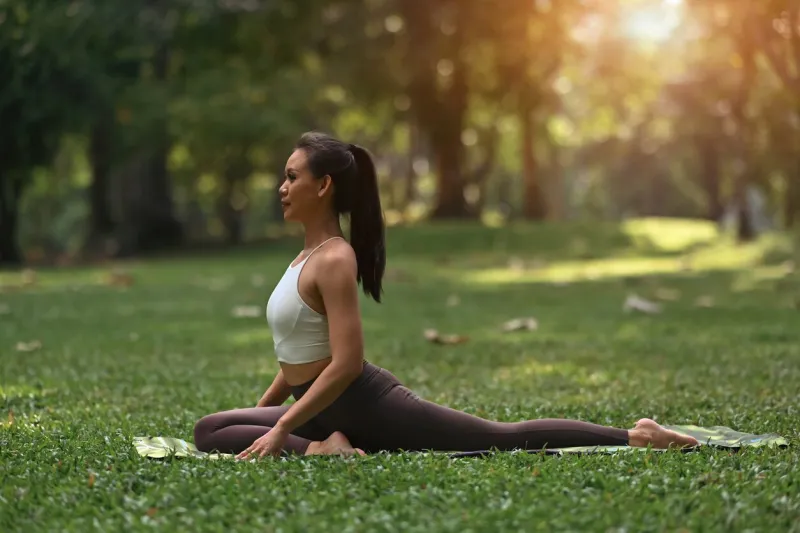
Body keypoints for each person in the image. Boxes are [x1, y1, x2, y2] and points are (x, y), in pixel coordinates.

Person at [193, 131, 699, 459]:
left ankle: (636, 435)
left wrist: (280, 429)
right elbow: (297, 353)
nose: (282, 187)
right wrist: (268, 413)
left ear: (323, 186)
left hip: (365, 404)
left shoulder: (335, 258)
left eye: (291, 177)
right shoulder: (303, 259)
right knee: (210, 431)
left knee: (499, 437)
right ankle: (325, 447)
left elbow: (346, 364)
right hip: (318, 408)